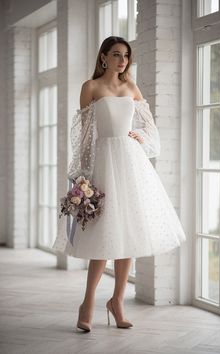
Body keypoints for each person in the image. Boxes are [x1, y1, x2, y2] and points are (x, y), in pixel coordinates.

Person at [52, 36, 186, 332]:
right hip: (103, 165)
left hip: (130, 165)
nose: (122, 60)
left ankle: (117, 301)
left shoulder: (131, 88)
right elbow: (84, 139)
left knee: (129, 233)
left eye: (126, 55)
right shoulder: (91, 88)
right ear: (103, 57)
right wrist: (81, 177)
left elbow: (150, 129)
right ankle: (87, 304)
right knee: (103, 238)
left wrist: (141, 137)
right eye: (116, 54)